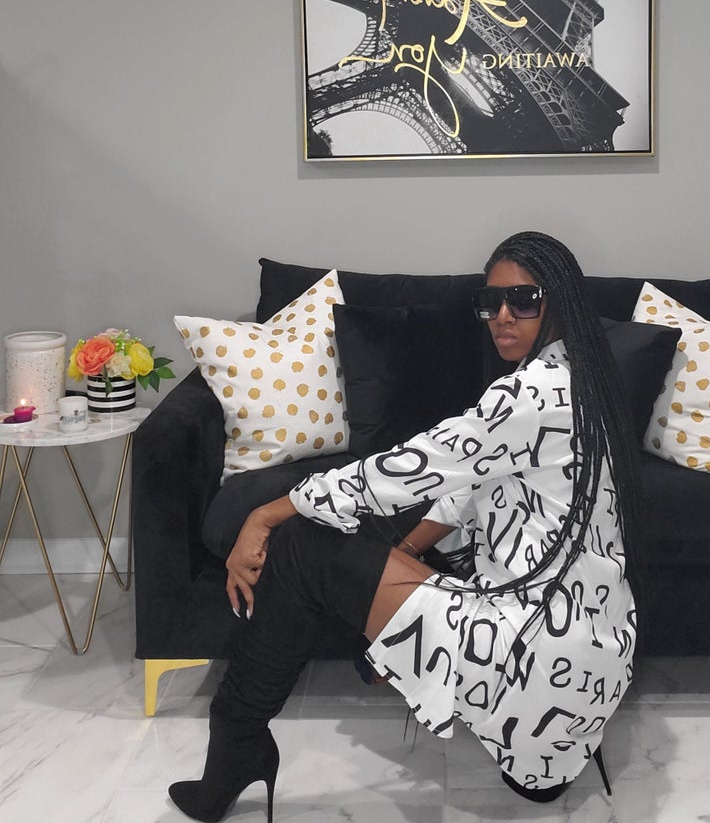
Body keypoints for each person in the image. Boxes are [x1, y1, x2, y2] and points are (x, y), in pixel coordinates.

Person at [168, 230, 642, 822]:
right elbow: (465, 493)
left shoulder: (532, 394)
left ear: (560, 302)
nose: (502, 316)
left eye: (524, 299)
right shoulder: (587, 378)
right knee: (356, 542)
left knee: (302, 544)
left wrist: (266, 513)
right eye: (490, 301)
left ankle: (236, 741)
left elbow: (404, 470)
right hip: (589, 675)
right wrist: (395, 560)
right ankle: (254, 736)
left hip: (535, 670)